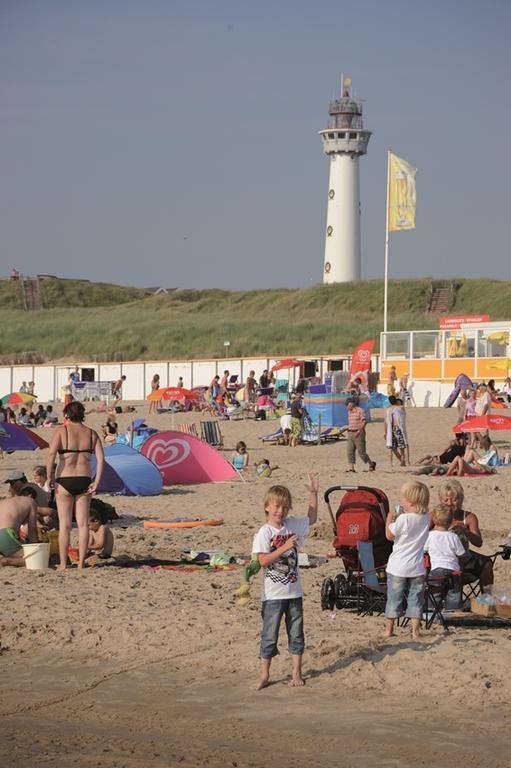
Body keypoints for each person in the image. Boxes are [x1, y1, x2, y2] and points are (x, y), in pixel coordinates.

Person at [252, 473, 319, 689]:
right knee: (269, 636)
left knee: (296, 635)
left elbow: (312, 519)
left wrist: (313, 493)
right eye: (277, 507)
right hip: (272, 596)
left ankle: (296, 673)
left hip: (294, 593)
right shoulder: (264, 532)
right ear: (267, 507)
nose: (281, 511)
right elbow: (262, 560)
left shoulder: (291, 526)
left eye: (284, 508)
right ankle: (264, 675)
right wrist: (283, 548)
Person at [46, 400, 105, 570]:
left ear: (66, 415)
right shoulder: (92, 434)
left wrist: (49, 476)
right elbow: (101, 460)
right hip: (84, 479)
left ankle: (64, 564)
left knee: (64, 524)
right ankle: (80, 564)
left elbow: (51, 455)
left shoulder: (61, 431)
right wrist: (97, 481)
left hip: (65, 479)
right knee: (82, 524)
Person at [384, 480, 430, 640]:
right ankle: (415, 631)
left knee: (394, 598)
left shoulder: (403, 519)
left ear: (410, 501)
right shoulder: (425, 519)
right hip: (416, 567)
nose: (400, 501)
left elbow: (389, 535)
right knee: (415, 600)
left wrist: (389, 519)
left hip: (398, 567)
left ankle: (389, 629)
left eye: (402, 498)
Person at [437, 479, 493, 591]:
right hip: (440, 558)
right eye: (446, 500)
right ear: (440, 500)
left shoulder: (468, 517)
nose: (450, 503)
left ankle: (486, 600)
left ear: (461, 499)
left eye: (454, 500)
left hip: (463, 556)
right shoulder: (435, 515)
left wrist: (465, 531)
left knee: (487, 562)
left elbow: (478, 543)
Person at [425, 503, 465, 611]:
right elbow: (461, 554)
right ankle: (452, 610)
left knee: (435, 592)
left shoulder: (430, 536)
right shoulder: (453, 537)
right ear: (452, 520)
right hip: (453, 570)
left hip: (437, 569)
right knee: (454, 592)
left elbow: (424, 550)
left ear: (434, 519)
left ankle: (431, 608)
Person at [0, 494, 39, 566]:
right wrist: (36, 547)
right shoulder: (31, 502)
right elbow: (32, 530)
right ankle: (8, 561)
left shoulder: (4, 501)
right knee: (36, 557)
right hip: (5, 534)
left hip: (4, 536)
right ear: (30, 495)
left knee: (9, 550)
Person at [346, 398, 376, 472]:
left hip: (359, 433)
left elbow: (364, 421)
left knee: (361, 452)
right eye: (346, 404)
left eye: (348, 404)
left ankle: (371, 464)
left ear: (352, 403)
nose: (347, 406)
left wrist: (359, 431)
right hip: (350, 433)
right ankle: (351, 468)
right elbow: (350, 423)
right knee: (350, 451)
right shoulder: (349, 412)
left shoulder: (360, 410)